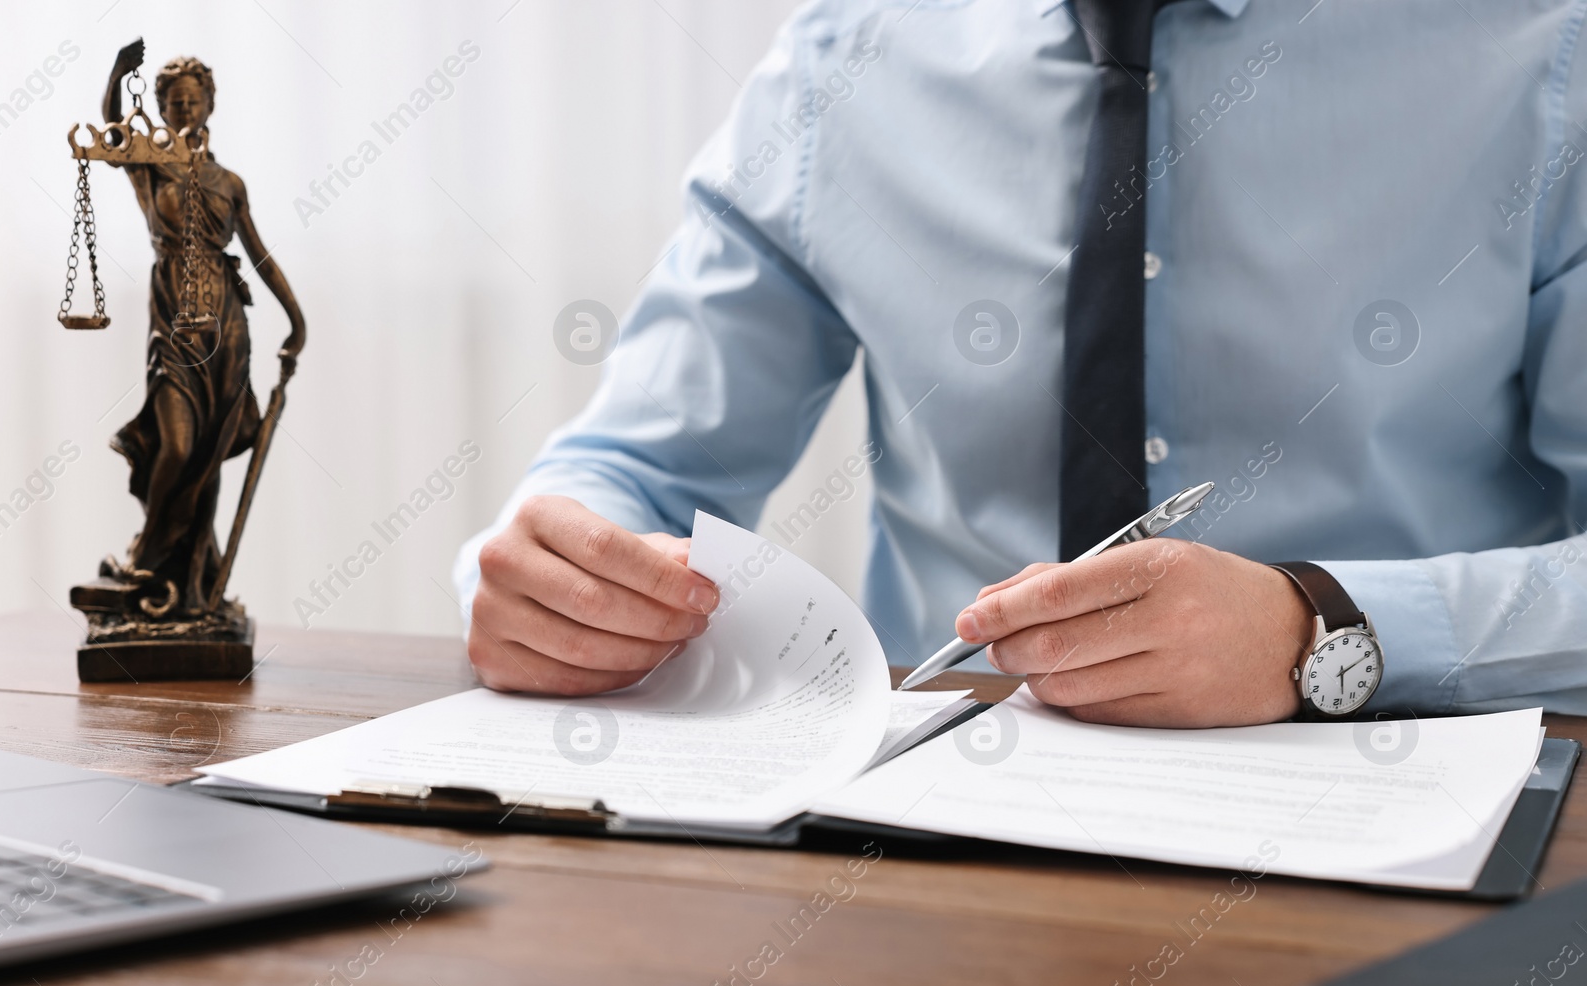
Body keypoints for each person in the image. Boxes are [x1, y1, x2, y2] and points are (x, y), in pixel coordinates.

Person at [455, 0, 1587, 726]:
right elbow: (631, 471)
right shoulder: (844, 59)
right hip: (933, 825)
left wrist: (1321, 628)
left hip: (1402, 805)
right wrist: (548, 574)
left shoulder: (1540, 56)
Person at [99, 41, 304, 615]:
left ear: (209, 106)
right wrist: (118, 72)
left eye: (194, 101)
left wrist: (297, 318)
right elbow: (112, 126)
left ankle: (192, 581)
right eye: (174, 102)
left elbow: (260, 256)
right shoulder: (148, 164)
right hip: (174, 317)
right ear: (161, 108)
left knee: (209, 454)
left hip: (227, 328)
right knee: (177, 444)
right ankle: (150, 552)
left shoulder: (229, 183)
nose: (185, 110)